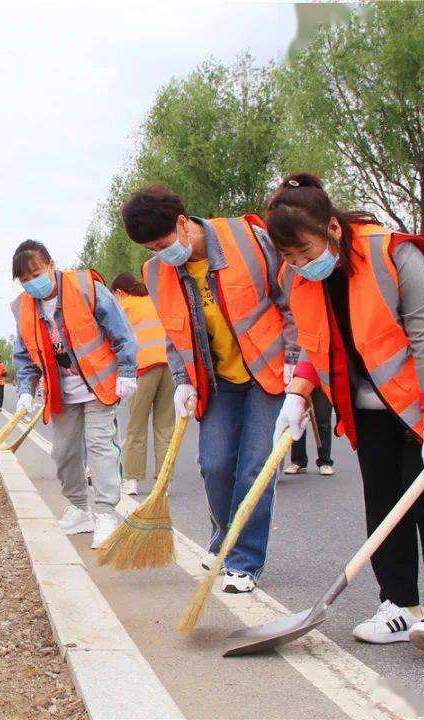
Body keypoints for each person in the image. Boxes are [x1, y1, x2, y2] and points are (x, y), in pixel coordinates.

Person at [267, 172, 424, 661]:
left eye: (305, 252)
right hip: (366, 407)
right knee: (384, 503)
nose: (301, 265)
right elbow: (315, 340)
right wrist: (296, 395)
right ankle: (400, 605)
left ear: (333, 228)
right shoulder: (301, 277)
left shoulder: (395, 255)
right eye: (289, 258)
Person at [121, 184, 298, 593]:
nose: (160, 254)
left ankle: (243, 561)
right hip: (217, 381)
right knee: (214, 465)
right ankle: (224, 538)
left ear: (183, 223)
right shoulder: (157, 272)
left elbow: (291, 301)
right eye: (150, 249)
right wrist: (183, 380)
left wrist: (296, 361)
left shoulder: (251, 241)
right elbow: (172, 329)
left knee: (255, 469)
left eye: (163, 242)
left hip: (269, 375)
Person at [11, 240, 138, 549]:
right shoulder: (24, 308)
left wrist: (128, 371)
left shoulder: (85, 287)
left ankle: (106, 513)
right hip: (62, 392)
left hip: (99, 386)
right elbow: (24, 356)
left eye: (36, 273)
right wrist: (26, 391)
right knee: (64, 452)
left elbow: (121, 331)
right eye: (25, 279)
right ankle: (79, 508)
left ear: (51, 264)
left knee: (100, 449)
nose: (32, 283)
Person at [110, 272, 176, 496]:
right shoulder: (155, 300)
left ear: (119, 292)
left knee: (136, 427)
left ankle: (131, 479)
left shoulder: (124, 306)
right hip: (169, 367)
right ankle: (164, 482)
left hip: (143, 369)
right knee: (165, 427)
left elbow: (118, 341)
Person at [283, 388, 335, 476]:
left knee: (323, 420)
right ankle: (298, 461)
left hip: (321, 380)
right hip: (301, 378)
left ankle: (325, 462)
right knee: (297, 419)